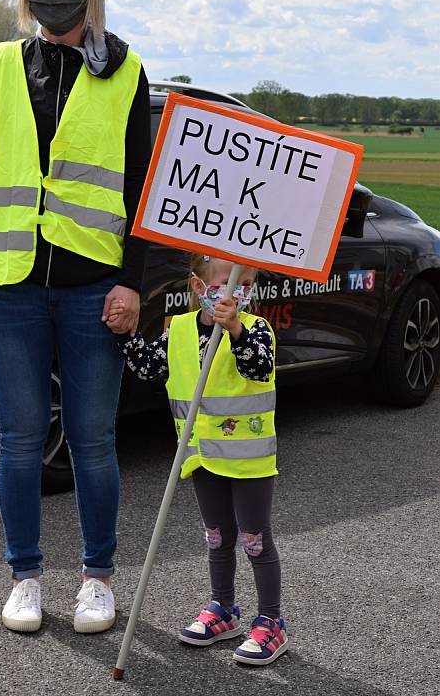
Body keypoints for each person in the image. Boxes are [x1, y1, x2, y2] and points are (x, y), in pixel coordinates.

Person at [0, 0, 151, 635]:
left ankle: (97, 578)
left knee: (93, 438)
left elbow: (143, 181)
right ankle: (25, 577)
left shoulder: (124, 72)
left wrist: (132, 282)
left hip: (94, 283)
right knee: (21, 436)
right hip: (7, 282)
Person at [106, 253, 288, 665]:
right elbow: (148, 365)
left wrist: (236, 329)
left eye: (245, 285)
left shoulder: (256, 329)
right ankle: (223, 607)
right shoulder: (180, 330)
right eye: (225, 284)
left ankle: (272, 621)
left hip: (249, 460)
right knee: (217, 537)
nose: (235, 293)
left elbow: (259, 368)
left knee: (254, 540)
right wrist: (122, 334)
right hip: (201, 457)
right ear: (197, 287)